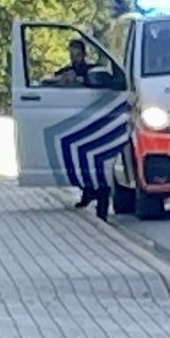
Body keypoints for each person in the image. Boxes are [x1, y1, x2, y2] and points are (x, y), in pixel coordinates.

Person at [46, 41, 110, 216]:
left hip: (95, 118)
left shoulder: (93, 70)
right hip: (75, 120)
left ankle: (101, 203)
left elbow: (104, 81)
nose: (75, 58)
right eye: (72, 55)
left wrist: (81, 79)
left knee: (97, 164)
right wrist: (63, 80)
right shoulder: (66, 71)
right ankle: (87, 192)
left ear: (84, 54)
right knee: (77, 161)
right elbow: (47, 81)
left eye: (77, 54)